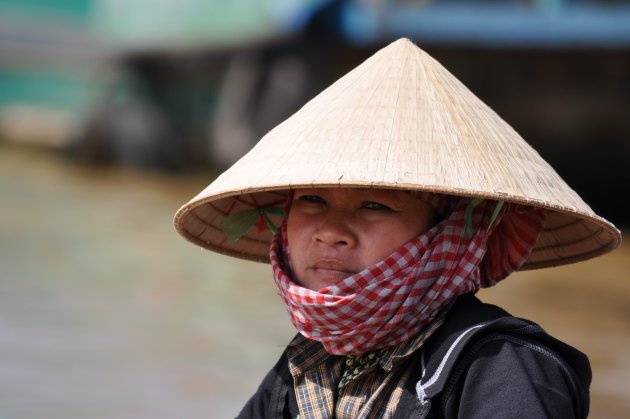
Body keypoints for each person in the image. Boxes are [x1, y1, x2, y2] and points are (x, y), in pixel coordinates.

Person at [173, 38, 621, 418]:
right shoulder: (304, 367)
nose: (331, 232)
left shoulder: (502, 368)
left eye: (374, 205)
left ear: (448, 235)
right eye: (312, 200)